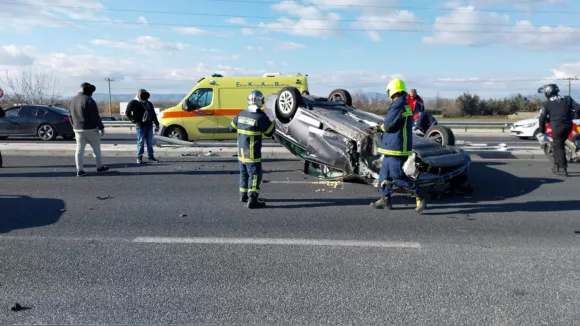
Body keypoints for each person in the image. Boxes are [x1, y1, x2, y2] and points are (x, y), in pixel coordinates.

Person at [370, 78, 426, 213]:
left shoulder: (397, 105)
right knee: (385, 173)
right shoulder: (404, 104)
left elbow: (388, 125)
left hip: (396, 147)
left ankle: (419, 194)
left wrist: (378, 128)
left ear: (392, 91)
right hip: (394, 146)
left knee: (396, 174)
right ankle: (385, 199)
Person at [229, 90, 276, 209]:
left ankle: (243, 195)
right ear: (261, 102)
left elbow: (231, 128)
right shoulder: (260, 117)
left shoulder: (241, 114)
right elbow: (271, 131)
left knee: (243, 173)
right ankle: (253, 198)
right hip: (252, 152)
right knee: (254, 174)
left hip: (241, 152)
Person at [538, 84, 580, 176]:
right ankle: (556, 165)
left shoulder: (546, 103)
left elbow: (542, 118)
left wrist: (542, 131)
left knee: (559, 147)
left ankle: (562, 168)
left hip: (557, 127)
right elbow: (578, 108)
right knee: (558, 145)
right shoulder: (567, 98)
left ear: (548, 92)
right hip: (569, 125)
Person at [68, 82, 109, 177]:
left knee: (79, 150)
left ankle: (80, 170)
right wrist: (101, 127)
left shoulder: (73, 100)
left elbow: (69, 115)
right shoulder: (89, 100)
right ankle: (99, 167)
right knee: (96, 149)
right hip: (90, 128)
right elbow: (95, 116)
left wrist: (73, 125)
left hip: (77, 128)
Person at [125, 89, 160, 164]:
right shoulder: (134, 102)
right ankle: (139, 157)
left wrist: (157, 123)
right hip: (140, 125)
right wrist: (134, 120)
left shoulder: (148, 103)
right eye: (142, 93)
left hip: (149, 125)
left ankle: (151, 157)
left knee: (150, 142)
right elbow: (127, 112)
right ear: (138, 94)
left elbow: (153, 114)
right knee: (140, 142)